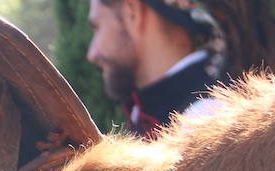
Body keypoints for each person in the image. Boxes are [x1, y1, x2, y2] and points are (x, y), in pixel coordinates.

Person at [86, 0, 228, 138]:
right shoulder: (156, 112)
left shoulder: (202, 121)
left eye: (97, 26)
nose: (92, 54)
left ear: (132, 12)